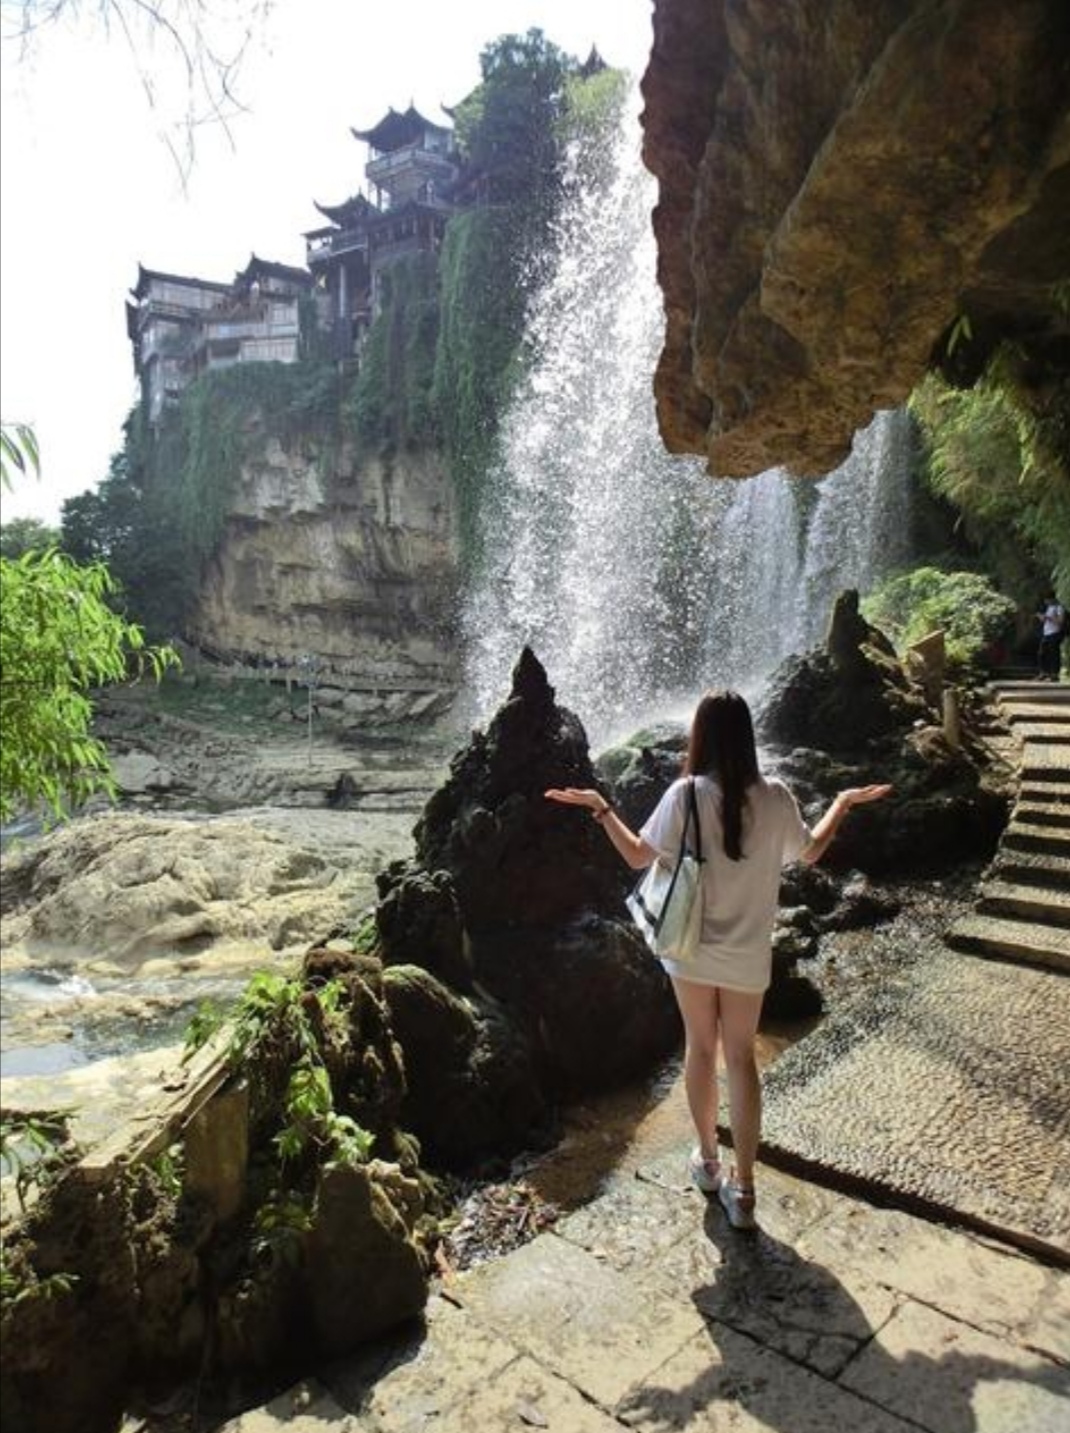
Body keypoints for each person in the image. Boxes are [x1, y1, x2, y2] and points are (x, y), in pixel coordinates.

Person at [545, 689, 891, 1231]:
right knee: (742, 1059)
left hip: (690, 950)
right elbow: (810, 852)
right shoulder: (775, 796)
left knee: (700, 1049)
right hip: (748, 955)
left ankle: (708, 1162)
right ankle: (745, 1188)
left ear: (701, 736)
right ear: (747, 736)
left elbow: (636, 855)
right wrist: (842, 804)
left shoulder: (685, 794)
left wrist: (601, 808)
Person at [1036, 592, 1066, 682]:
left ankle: (1054, 674)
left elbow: (1060, 621)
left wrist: (1048, 618)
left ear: (1051, 599)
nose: (1045, 602)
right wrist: (1042, 618)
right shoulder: (1049, 608)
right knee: (1042, 653)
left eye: (1047, 600)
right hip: (1046, 633)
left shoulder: (1059, 607)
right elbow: (1046, 620)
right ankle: (1044, 673)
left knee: (1054, 654)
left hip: (1055, 633)